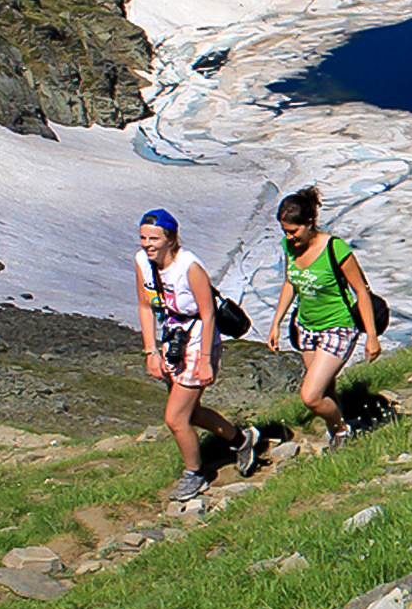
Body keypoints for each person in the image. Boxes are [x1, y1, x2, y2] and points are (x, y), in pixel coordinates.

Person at [135, 209, 259, 501]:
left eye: (154, 238)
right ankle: (242, 440)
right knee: (189, 410)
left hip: (197, 339)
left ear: (171, 238)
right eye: (142, 238)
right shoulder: (143, 262)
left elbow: (208, 314)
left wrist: (205, 360)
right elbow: (144, 306)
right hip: (171, 339)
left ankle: (195, 473)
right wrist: (151, 351)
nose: (147, 244)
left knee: (176, 417)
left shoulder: (189, 267)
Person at [265, 187, 381, 450]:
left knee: (311, 396)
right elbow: (289, 283)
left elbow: (361, 291)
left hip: (337, 328)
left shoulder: (335, 248)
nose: (288, 237)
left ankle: (342, 430)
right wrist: (277, 323)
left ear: (309, 224)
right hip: (306, 327)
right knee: (325, 389)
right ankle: (339, 437)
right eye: (284, 231)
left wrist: (371, 337)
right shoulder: (291, 247)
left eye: (293, 231)